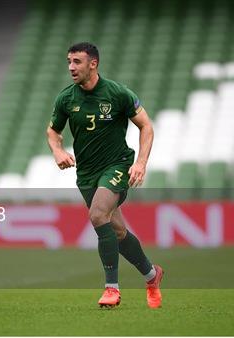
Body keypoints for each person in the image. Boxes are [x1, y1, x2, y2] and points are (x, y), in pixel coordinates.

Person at [46, 42, 164, 309]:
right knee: (117, 230)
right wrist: (57, 151)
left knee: (98, 214)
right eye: (68, 62)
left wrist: (141, 163)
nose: (71, 67)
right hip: (86, 173)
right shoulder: (66, 99)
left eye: (77, 62)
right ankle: (151, 275)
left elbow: (146, 126)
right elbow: (53, 131)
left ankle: (112, 288)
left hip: (117, 165)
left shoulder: (117, 93)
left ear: (93, 64)